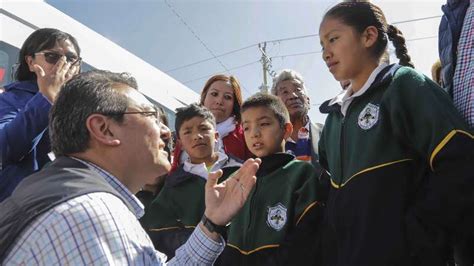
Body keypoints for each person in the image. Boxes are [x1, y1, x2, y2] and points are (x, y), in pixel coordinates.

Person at [0, 70, 261, 265]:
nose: (166, 132)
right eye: (149, 116)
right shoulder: (89, 215)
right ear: (104, 129)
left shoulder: (80, 199)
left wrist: (212, 223)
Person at [318, 2, 474, 265]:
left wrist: (418, 238)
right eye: (322, 45)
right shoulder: (333, 118)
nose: (325, 53)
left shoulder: (405, 86)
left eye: (333, 39)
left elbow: (460, 162)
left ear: (368, 36)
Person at [216, 93, 327, 265]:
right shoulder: (237, 178)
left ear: (286, 130)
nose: (255, 133)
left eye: (264, 124)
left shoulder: (301, 173)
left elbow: (307, 235)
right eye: (247, 128)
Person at [141, 103, 242, 259]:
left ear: (216, 136)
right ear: (179, 142)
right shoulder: (173, 185)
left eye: (203, 129)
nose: (197, 136)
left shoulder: (241, 171)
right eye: (188, 131)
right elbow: (162, 236)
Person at [0, 28, 81, 202]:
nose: (63, 64)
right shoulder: (11, 98)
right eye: (53, 56)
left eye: (71, 59)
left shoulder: (80, 109)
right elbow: (4, 147)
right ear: (30, 62)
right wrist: (46, 97)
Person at [171, 74, 252, 172]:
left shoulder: (245, 135)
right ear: (204, 97)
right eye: (214, 94)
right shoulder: (184, 132)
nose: (219, 101)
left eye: (227, 97)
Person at [271, 69, 323, 166]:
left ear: (308, 100)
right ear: (275, 107)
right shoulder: (271, 146)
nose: (293, 96)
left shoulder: (327, 133)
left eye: (298, 90)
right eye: (285, 92)